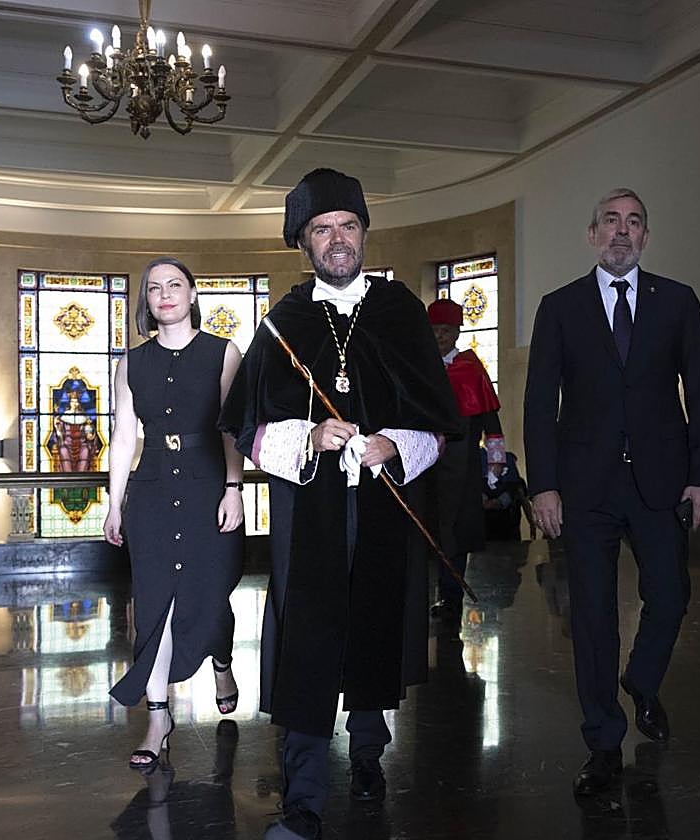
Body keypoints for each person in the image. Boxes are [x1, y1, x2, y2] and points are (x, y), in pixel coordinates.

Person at [218, 168, 459, 840]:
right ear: (304, 243)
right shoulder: (283, 322)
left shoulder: (402, 312)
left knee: (376, 621)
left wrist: (394, 443)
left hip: (384, 505)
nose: (336, 239)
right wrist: (311, 435)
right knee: (309, 638)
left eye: (346, 226)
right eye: (321, 229)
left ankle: (369, 748)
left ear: (363, 232)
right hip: (312, 509)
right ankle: (302, 801)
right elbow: (249, 428)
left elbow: (438, 425)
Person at [524, 187, 700, 797]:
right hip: (585, 489)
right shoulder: (560, 306)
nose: (621, 231)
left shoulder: (678, 302)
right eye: (610, 221)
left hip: (661, 484)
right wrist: (545, 486)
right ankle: (603, 741)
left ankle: (641, 680)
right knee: (591, 615)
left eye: (633, 222)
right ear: (592, 234)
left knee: (671, 595)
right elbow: (539, 404)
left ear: (645, 236)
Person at [104, 257, 246, 771]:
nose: (165, 294)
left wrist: (234, 488)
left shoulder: (223, 353)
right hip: (154, 492)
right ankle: (158, 717)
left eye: (176, 285)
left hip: (211, 484)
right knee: (156, 605)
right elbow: (124, 438)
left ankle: (222, 661)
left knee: (210, 595)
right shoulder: (131, 363)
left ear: (191, 295)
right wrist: (114, 503)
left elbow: (233, 429)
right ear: (146, 301)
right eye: (155, 288)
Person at [425, 297, 505, 623]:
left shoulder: (471, 368)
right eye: (435, 330)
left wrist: (496, 463)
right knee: (427, 531)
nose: (441, 336)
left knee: (455, 535)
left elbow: (492, 424)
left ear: (457, 332)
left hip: (464, 468)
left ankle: (450, 597)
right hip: (425, 465)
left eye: (446, 330)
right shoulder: (421, 367)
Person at [480, 448, 527, 542]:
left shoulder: (513, 483)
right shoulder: (482, 481)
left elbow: (522, 499)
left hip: (507, 527)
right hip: (491, 528)